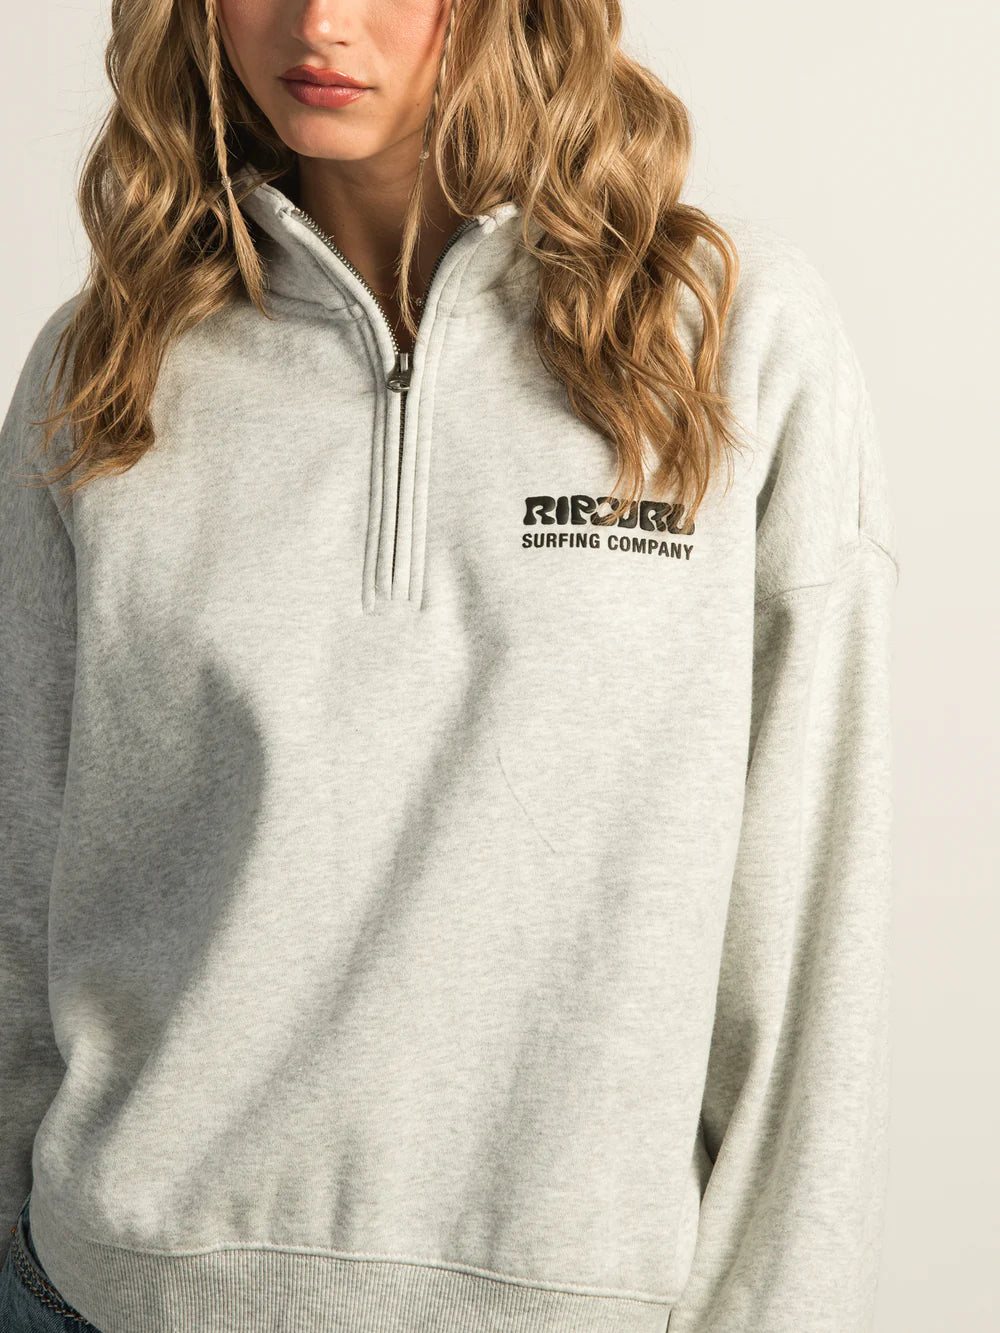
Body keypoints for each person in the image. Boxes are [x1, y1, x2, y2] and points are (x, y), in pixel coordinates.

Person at [0, 1, 900, 1331]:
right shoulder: (103, 369)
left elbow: (810, 913)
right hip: (110, 1291)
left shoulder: (728, 336)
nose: (320, 21)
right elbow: (24, 873)